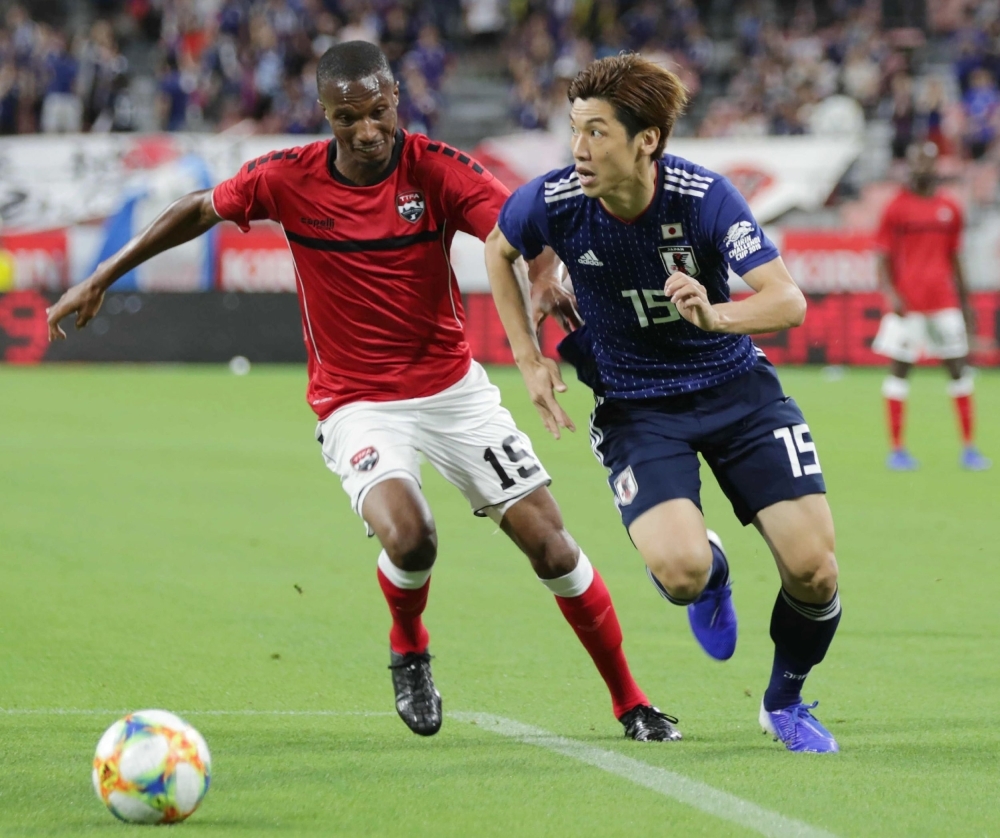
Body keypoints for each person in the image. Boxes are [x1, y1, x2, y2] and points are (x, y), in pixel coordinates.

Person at [45, 41, 678, 743]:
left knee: (553, 549)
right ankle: (408, 649)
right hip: (357, 405)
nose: (368, 130)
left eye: (378, 112)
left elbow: (522, 226)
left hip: (454, 393)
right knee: (412, 538)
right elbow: (200, 209)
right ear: (326, 115)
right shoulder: (286, 178)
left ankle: (631, 701)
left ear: (395, 103)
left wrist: (539, 271)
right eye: (349, 118)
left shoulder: (434, 170)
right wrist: (105, 274)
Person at [484, 53, 842, 753]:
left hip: (736, 391)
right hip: (636, 404)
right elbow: (500, 249)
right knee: (680, 577)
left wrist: (718, 316)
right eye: (574, 130)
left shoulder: (702, 197)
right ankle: (712, 572)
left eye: (596, 133)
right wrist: (528, 357)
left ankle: (785, 702)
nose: (579, 150)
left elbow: (787, 300)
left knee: (814, 570)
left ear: (646, 139)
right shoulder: (553, 200)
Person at [873, 142, 991, 472]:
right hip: (907, 305)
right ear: (909, 167)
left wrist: (966, 304)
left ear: (936, 167)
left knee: (959, 371)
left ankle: (969, 448)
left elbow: (955, 258)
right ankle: (896, 449)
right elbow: (881, 256)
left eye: (928, 162)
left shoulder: (950, 208)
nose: (922, 168)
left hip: (943, 303)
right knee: (899, 371)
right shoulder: (896, 207)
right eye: (917, 162)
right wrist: (891, 295)